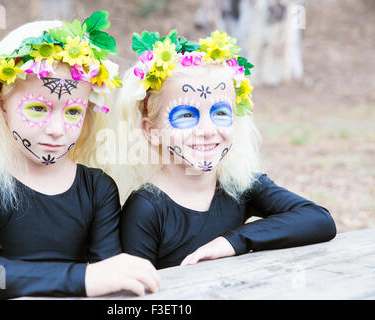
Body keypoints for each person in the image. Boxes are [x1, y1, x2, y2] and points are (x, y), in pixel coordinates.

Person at [0, 12, 160, 299]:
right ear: (1, 105)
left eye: (73, 111)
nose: (57, 130)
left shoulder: (98, 188)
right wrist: (83, 277)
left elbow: (108, 274)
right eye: (37, 108)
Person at [107, 30, 336, 269]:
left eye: (220, 113)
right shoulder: (146, 209)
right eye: (186, 115)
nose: (207, 129)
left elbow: (319, 220)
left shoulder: (237, 185)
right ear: (151, 131)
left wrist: (232, 241)